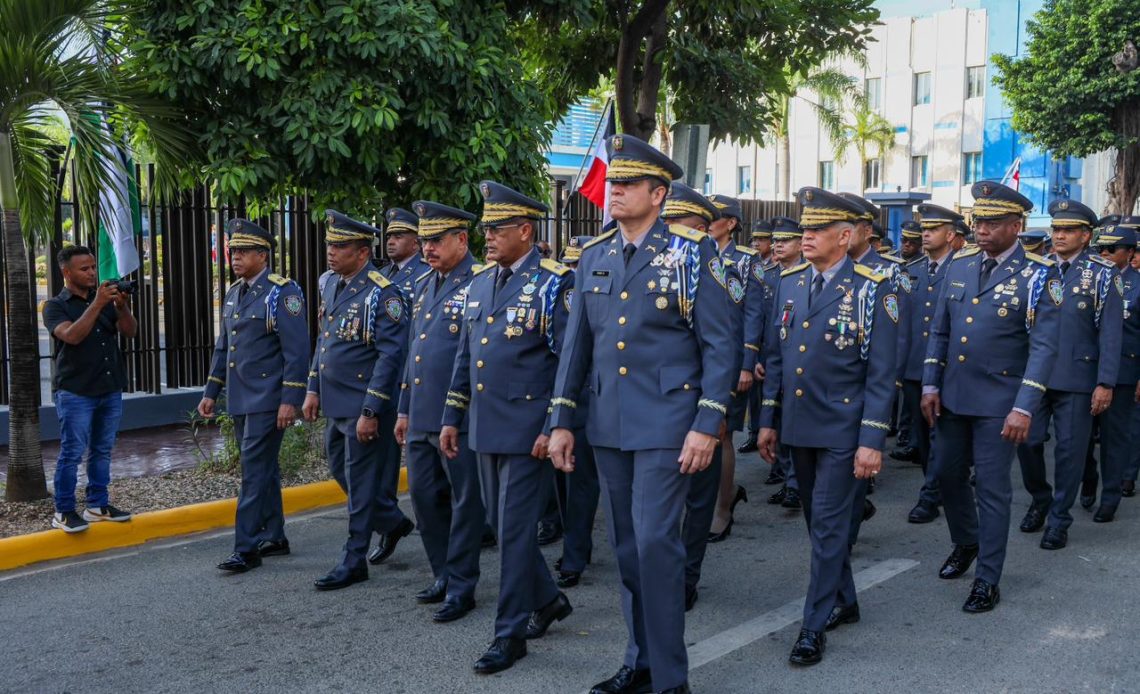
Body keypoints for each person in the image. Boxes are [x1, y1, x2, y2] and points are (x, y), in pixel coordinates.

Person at [548, 134, 738, 694]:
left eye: (628, 184)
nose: (615, 192)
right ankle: (640, 660)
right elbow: (576, 347)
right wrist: (561, 420)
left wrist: (707, 424)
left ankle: (669, 678)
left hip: (669, 423)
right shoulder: (596, 254)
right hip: (609, 423)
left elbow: (720, 345)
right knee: (628, 548)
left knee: (656, 543)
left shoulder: (691, 252)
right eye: (613, 183)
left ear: (659, 194)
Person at [757, 186, 898, 666]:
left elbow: (882, 373)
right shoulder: (791, 281)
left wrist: (872, 440)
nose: (806, 237)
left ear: (845, 236)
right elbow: (777, 358)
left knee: (832, 523)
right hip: (799, 424)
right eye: (804, 229)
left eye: (816, 230)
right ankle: (847, 599)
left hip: (843, 425)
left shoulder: (873, 286)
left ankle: (812, 625)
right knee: (820, 524)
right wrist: (768, 419)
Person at [440, 182, 575, 675]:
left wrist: (554, 423)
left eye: (497, 229)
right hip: (484, 426)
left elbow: (567, 362)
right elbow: (464, 358)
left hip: (527, 430)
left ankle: (509, 633)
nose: (489, 237)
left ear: (525, 230)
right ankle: (547, 599)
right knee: (503, 526)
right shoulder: (479, 283)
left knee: (516, 532)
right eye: (486, 229)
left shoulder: (553, 283)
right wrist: (453, 416)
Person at [921, 180, 1060, 612]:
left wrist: (1024, 407)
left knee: (994, 491)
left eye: (993, 222)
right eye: (979, 221)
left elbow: (1044, 348)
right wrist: (929, 382)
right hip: (954, 396)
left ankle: (987, 578)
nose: (982, 229)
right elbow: (940, 331)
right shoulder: (959, 266)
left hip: (1001, 402)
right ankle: (967, 541)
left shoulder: (1039, 275)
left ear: (1017, 226)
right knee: (944, 474)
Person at [302, 210, 410, 590]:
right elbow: (325, 341)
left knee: (361, 482)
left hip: (364, 405)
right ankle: (393, 521)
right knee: (340, 469)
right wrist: (313, 386)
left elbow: (390, 356)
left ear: (363, 252)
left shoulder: (384, 293)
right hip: (336, 401)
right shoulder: (333, 285)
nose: (331, 252)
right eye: (330, 244)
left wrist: (371, 409)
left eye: (340, 246)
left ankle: (354, 558)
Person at [199, 219, 310, 573]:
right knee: (264, 471)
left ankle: (246, 547)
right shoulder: (235, 293)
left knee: (253, 471)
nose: (235, 257)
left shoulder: (283, 293)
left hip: (267, 398)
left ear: (263, 256)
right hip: (241, 397)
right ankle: (275, 535)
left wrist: (289, 400)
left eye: (243, 251)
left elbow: (296, 351)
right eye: (233, 251)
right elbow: (224, 347)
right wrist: (211, 391)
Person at [394, 200, 486, 621]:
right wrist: (403, 409)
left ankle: (462, 585)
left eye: (435, 240)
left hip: (459, 416)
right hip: (421, 415)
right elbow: (415, 353)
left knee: (464, 504)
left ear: (461, 240)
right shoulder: (424, 284)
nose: (427, 248)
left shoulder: (480, 281)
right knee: (425, 500)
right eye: (424, 240)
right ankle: (442, 573)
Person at [1015, 199, 1122, 548]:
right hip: (1035, 377)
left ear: (1085, 235)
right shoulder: (1037, 271)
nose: (1058, 236)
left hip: (1078, 377)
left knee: (1070, 451)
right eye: (1055, 229)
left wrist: (1105, 382)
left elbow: (1110, 334)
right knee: (1028, 443)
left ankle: (1059, 518)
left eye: (1067, 230)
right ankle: (1040, 497)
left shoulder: (1103, 275)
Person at [656, 186, 739, 616]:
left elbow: (723, 342)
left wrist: (717, 407)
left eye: (678, 224)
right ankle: (666, 571)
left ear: (702, 229)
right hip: (658, 407)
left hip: (700, 401)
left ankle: (688, 573)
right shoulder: (656, 266)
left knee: (698, 494)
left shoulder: (713, 267)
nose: (668, 231)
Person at [42, 246, 138, 532]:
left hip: (109, 387)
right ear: (66, 272)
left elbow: (131, 331)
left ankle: (97, 504)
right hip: (75, 391)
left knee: (102, 449)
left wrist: (121, 307)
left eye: (94, 267)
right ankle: (64, 510)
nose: (92, 273)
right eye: (85, 269)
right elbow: (71, 336)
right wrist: (97, 304)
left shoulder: (106, 302)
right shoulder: (55, 306)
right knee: (72, 451)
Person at [838, 192, 911, 542]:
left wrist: (891, 380)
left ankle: (847, 532)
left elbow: (899, 334)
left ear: (866, 231)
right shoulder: (822, 269)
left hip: (869, 383)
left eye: (845, 227)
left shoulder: (889, 273)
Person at [895, 206, 961, 524]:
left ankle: (930, 495)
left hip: (947, 368)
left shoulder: (963, 269)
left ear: (950, 235)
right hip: (913, 366)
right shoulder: (913, 269)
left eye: (933, 229)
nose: (925, 233)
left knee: (941, 434)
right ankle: (938, 485)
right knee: (922, 436)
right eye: (925, 228)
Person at [705, 194, 762, 550]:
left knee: (722, 433)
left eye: (718, 217)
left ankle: (722, 508)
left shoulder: (745, 261)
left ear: (731, 223)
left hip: (731, 359)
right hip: (702, 359)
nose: (711, 221)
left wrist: (746, 362)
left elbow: (753, 313)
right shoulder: (694, 254)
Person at [551, 236, 601, 589]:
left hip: (588, 396)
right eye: (569, 264)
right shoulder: (562, 290)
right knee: (563, 481)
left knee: (581, 482)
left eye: (578, 265)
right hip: (562, 395)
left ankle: (575, 554)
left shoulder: (580, 294)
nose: (572, 272)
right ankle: (573, 542)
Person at [1082, 225, 1140, 517]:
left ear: (1130, 253)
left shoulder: (1137, 285)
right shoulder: (1087, 280)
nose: (1104, 254)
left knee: (1113, 438)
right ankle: (1088, 478)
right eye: (1099, 249)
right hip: (1085, 369)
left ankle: (1110, 496)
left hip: (1124, 371)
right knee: (1078, 437)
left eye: (1111, 249)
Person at [762, 217, 806, 510]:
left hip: (802, 364)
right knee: (778, 420)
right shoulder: (771, 275)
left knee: (795, 424)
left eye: (784, 241)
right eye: (775, 241)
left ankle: (795, 484)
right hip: (776, 359)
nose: (777, 245)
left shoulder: (804, 275)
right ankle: (788, 476)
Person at [739, 220, 776, 454]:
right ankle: (754, 432)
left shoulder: (773, 269)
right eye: (753, 239)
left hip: (769, 340)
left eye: (760, 240)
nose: (755, 244)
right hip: (756, 339)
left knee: (770, 394)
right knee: (755, 395)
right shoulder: (754, 265)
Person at [382, 207, 429, 299]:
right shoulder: (381, 273)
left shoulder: (426, 273)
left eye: (398, 237)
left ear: (415, 243)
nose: (390, 242)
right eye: (389, 237)